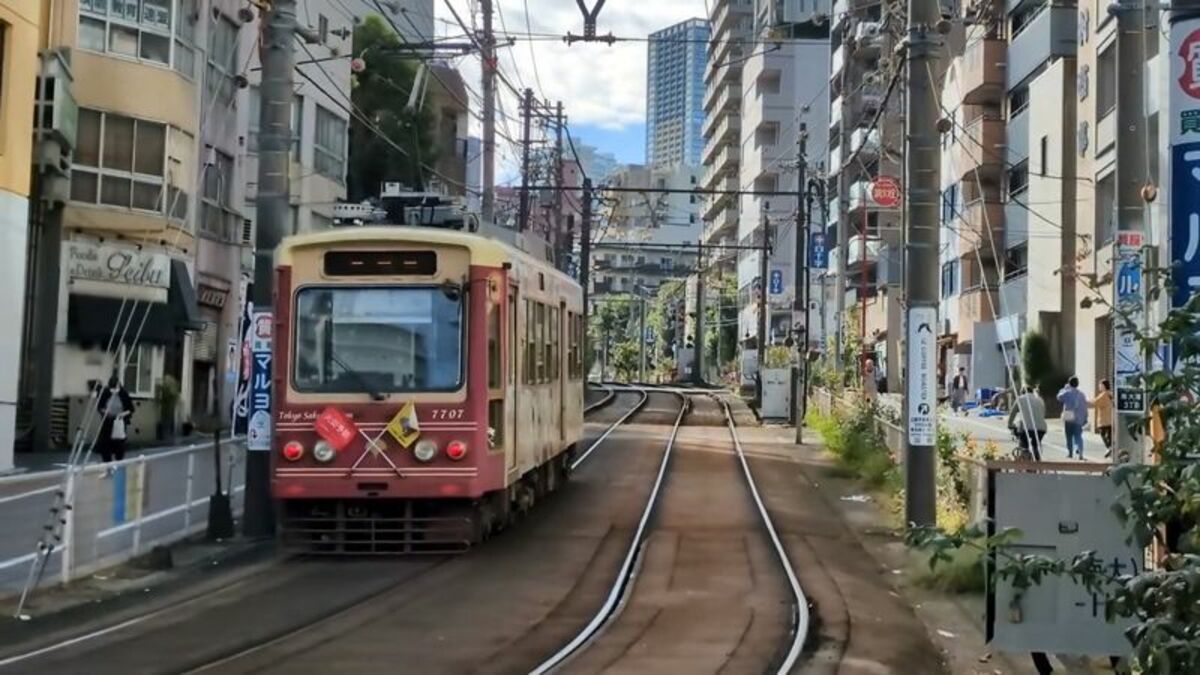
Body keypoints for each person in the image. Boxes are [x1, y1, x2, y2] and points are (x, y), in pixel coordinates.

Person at [97, 376, 134, 463]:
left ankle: (118, 464)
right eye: (112, 389)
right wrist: (105, 412)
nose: (114, 391)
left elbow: (131, 409)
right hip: (107, 422)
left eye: (115, 388)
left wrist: (122, 414)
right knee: (105, 445)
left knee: (119, 445)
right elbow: (100, 407)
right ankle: (107, 465)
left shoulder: (123, 393)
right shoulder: (106, 392)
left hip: (119, 422)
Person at [1007, 386, 1047, 460]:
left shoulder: (1020, 398)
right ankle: (1037, 459)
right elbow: (1043, 414)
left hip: (1026, 428)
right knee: (1036, 444)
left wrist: (1009, 424)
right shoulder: (1040, 399)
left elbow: (1013, 413)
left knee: (1024, 443)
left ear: (1022, 392)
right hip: (1042, 428)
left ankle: (1025, 458)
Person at [1057, 376, 1089, 460]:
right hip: (1078, 418)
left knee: (1069, 436)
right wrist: (1085, 417)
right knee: (1078, 436)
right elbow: (1085, 407)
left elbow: (1059, 397)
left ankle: (1070, 453)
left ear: (1069, 384)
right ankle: (1081, 453)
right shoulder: (1081, 394)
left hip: (1069, 418)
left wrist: (1064, 388)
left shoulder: (1067, 392)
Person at [1089, 379, 1114, 458]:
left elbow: (1095, 402)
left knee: (1102, 433)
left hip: (1103, 419)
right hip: (1111, 418)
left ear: (1104, 386)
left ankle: (1110, 448)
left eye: (1100, 385)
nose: (1099, 386)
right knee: (1109, 435)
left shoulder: (1103, 395)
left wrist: (1085, 401)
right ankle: (1111, 448)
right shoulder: (1111, 394)